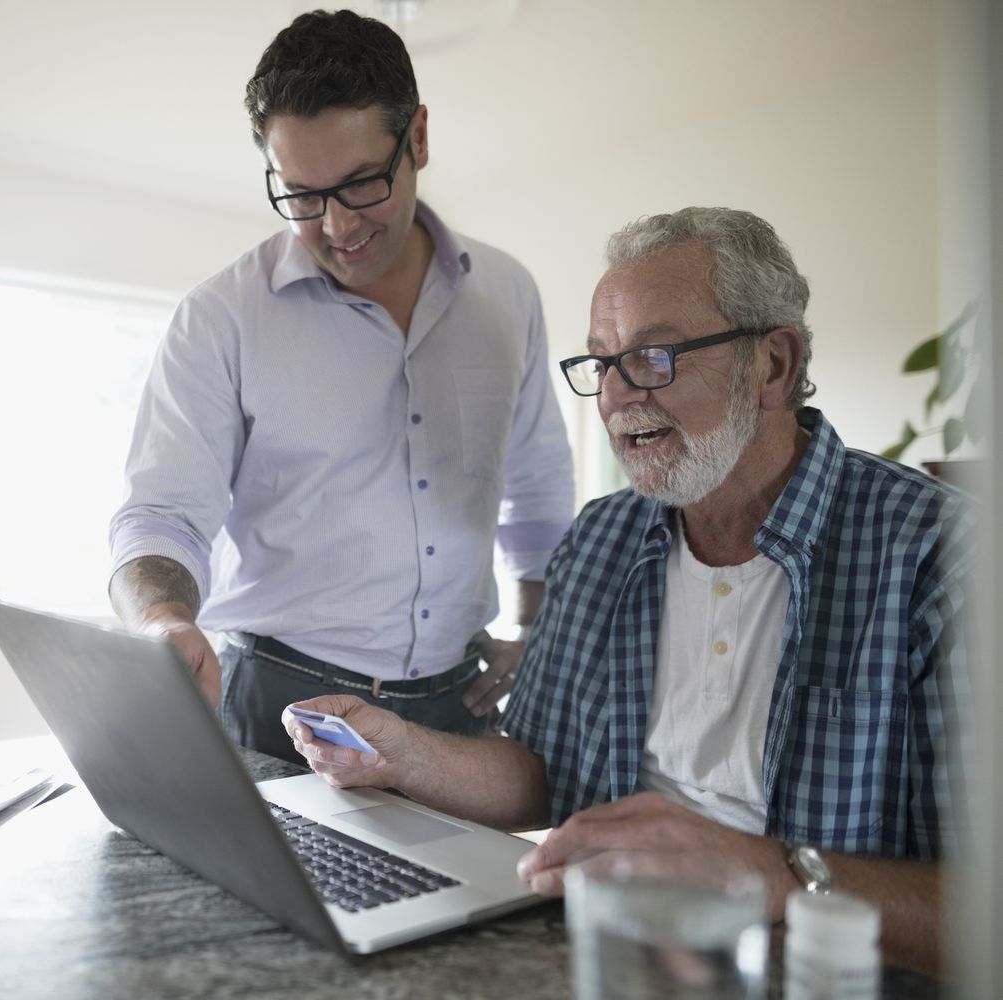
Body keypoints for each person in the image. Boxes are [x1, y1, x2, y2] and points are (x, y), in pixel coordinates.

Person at [283, 207, 972, 973]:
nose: (614, 397)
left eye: (652, 357)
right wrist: (404, 754)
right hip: (608, 956)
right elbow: (541, 771)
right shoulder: (603, 536)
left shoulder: (944, 557)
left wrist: (772, 876)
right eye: (602, 363)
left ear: (774, 365)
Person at [107, 9, 575, 762]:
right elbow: (160, 514)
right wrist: (162, 619)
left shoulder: (507, 294)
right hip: (277, 703)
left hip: (459, 708)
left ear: (417, 138)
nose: (335, 226)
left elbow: (537, 483)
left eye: (360, 185)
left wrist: (537, 633)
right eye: (301, 195)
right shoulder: (221, 316)